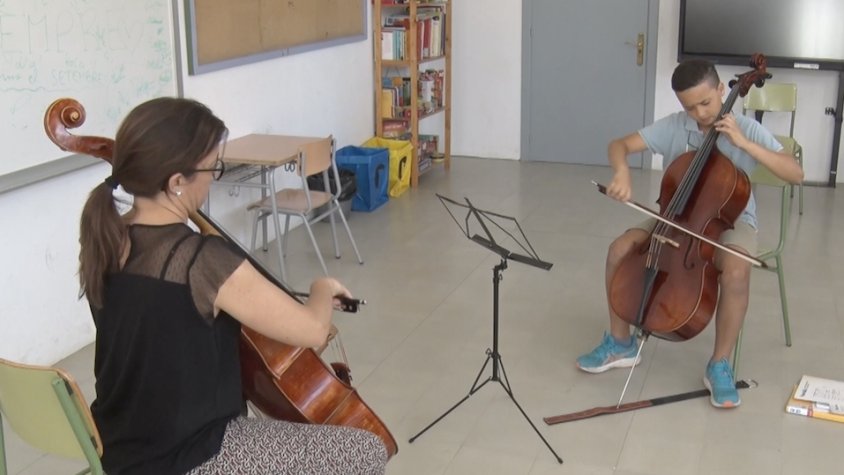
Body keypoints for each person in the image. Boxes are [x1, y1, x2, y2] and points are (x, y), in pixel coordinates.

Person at [78, 97, 388, 474]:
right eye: (212, 167)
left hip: (120, 449)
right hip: (192, 457)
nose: (213, 176)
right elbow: (312, 331)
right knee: (365, 451)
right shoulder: (202, 260)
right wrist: (322, 288)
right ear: (177, 182)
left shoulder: (105, 240)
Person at [575, 60, 803, 408]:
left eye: (705, 103)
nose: (699, 113)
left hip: (731, 220)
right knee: (619, 249)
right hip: (675, 214)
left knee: (738, 268)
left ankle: (719, 364)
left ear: (721, 91)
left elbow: (795, 173)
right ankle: (621, 344)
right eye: (689, 107)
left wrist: (743, 142)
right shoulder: (676, 126)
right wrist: (621, 172)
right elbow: (618, 144)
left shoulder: (744, 128)